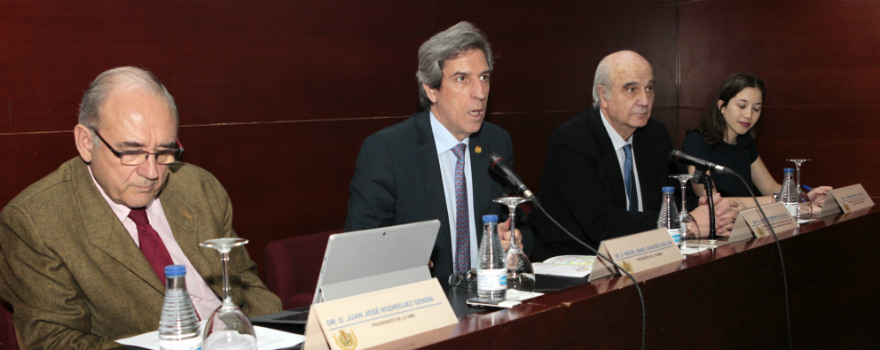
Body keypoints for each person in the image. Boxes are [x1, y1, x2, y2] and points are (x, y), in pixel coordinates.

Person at [0, 67, 281, 349]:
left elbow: (246, 283)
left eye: (163, 152)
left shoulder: (198, 187)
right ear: (86, 143)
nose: (151, 172)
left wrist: (269, 335)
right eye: (132, 152)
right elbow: (53, 341)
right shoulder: (35, 221)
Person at [344, 21, 530, 279]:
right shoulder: (388, 151)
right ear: (431, 89)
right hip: (424, 304)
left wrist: (512, 242)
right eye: (462, 79)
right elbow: (360, 252)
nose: (480, 93)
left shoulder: (496, 143)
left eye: (484, 78)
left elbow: (523, 230)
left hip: (489, 298)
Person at [530, 50, 738, 261]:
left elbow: (671, 199)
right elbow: (599, 223)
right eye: (631, 89)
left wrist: (711, 212)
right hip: (576, 261)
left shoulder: (654, 135)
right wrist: (686, 224)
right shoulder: (573, 140)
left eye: (649, 88)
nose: (645, 100)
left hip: (642, 255)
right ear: (604, 95)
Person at [681, 73, 831, 209]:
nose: (749, 115)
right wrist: (778, 201)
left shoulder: (745, 142)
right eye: (742, 106)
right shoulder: (696, 142)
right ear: (722, 106)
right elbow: (712, 202)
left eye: (756, 109)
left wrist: (803, 197)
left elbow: (771, 187)